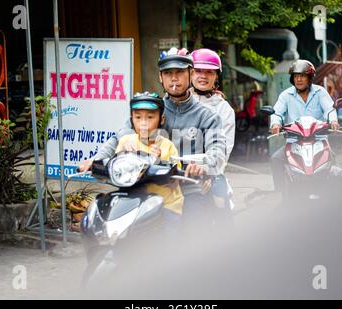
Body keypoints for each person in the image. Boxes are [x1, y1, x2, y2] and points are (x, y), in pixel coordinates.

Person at [78, 47, 227, 232]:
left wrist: (204, 167)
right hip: (147, 187)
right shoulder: (151, 109)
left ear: (190, 73)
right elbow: (118, 137)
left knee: (193, 238)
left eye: (179, 72)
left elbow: (218, 150)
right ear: (160, 77)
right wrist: (96, 159)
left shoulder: (208, 116)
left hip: (190, 188)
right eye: (168, 73)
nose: (174, 78)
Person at [116, 91, 184, 239]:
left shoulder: (167, 146)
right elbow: (116, 168)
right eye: (138, 117)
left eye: (150, 117)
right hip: (134, 203)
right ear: (131, 119)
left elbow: (175, 181)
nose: (144, 123)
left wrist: (159, 161)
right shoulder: (126, 142)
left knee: (167, 244)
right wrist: (123, 153)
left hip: (166, 205)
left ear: (161, 119)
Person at [269, 59, 340, 192]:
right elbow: (277, 113)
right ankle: (281, 194)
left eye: (302, 76)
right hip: (294, 141)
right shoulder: (286, 95)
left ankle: (336, 196)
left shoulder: (320, 92)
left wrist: (333, 121)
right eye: (296, 76)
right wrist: (275, 124)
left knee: (334, 164)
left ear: (310, 78)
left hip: (318, 140)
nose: (299, 79)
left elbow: (330, 109)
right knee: (276, 159)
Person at [190, 48, 235, 210]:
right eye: (198, 71)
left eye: (209, 72)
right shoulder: (177, 102)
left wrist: (207, 172)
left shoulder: (224, 110)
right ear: (190, 73)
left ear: (216, 76)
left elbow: (224, 150)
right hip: (177, 172)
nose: (203, 75)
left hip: (211, 173)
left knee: (220, 206)